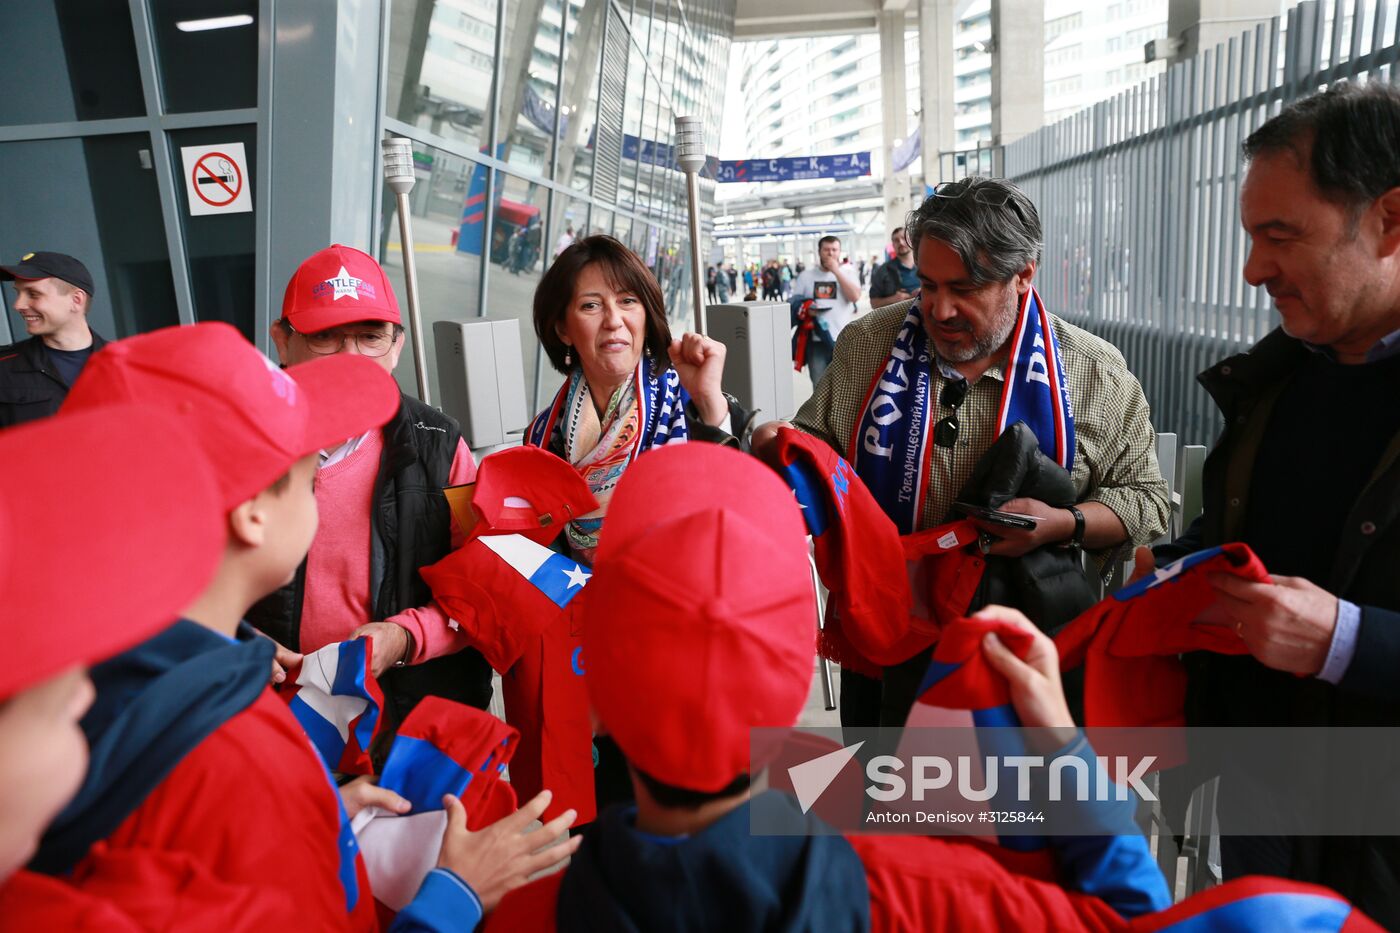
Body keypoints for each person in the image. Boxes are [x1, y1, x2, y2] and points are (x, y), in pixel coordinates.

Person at [485, 443, 1173, 931]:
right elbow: (1136, 916)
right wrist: (1061, 747)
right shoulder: (932, 898)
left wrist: (444, 901)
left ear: (595, 692)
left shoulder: (517, 915)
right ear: (796, 698)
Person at [44, 322, 580, 930]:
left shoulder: (74, 685)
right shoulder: (248, 760)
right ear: (253, 514)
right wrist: (455, 894)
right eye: (306, 478)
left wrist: (321, 822)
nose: (323, 488)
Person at [755, 177, 1169, 731]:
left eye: (965, 288)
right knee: (880, 806)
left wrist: (1062, 524)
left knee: (1011, 817)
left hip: (1024, 662)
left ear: (1024, 274)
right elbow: (816, 463)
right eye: (927, 285)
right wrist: (778, 456)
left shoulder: (1093, 372)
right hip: (884, 644)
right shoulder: (867, 349)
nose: (938, 309)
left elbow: (1147, 500)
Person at [1141, 81, 1400, 927]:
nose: (1253, 270)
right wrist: (1181, 562)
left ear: (1390, 221)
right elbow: (1271, 530)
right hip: (1265, 792)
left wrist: (1346, 642)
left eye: (1279, 236)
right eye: (1251, 236)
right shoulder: (1284, 375)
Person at [252, 244, 494, 728]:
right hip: (268, 717)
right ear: (282, 340)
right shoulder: (239, 441)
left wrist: (405, 638)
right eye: (327, 337)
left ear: (398, 344)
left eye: (370, 336)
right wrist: (232, 639)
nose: (351, 357)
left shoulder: (441, 448)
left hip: (404, 724)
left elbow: (483, 588)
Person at [527, 235, 745, 564]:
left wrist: (707, 399)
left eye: (628, 301)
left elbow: (745, 502)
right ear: (563, 330)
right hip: (584, 607)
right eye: (591, 305)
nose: (614, 320)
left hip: (687, 598)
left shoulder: (692, 407)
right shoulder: (542, 437)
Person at [0, 251, 106, 427]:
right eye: (18, 293)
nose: (18, 305)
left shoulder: (125, 364)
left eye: (33, 294)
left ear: (76, 300)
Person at [789, 235, 862, 385]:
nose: (830, 253)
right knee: (819, 386)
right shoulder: (805, 276)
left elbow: (854, 297)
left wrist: (836, 271)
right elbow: (795, 304)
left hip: (843, 339)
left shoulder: (848, 273)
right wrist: (806, 310)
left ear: (839, 252)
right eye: (826, 250)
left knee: (842, 387)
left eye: (834, 250)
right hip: (816, 341)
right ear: (819, 252)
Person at [869, 226, 920, 309]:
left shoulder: (927, 264)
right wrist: (893, 299)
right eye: (896, 240)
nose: (901, 242)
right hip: (899, 319)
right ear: (893, 245)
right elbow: (873, 303)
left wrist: (924, 291)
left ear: (911, 240)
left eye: (904, 238)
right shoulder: (883, 270)